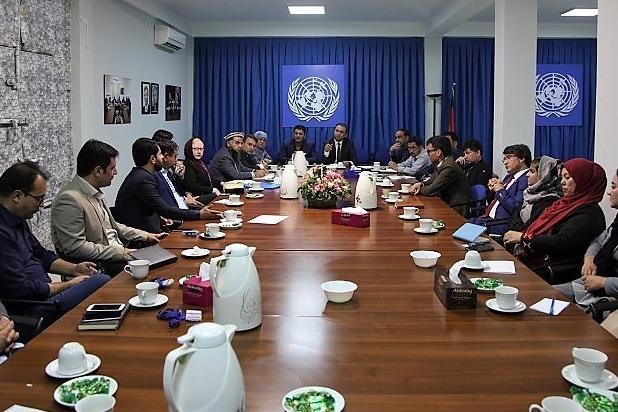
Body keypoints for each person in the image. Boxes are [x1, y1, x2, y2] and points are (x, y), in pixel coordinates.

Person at [0, 161, 110, 325]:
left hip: (45, 295)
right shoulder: (2, 232)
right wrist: (67, 285)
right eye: (38, 199)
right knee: (101, 280)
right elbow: (21, 289)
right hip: (33, 308)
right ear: (17, 196)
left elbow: (41, 254)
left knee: (94, 277)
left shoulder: (17, 219)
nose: (41, 206)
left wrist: (74, 269)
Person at [51, 140, 165, 276]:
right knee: (156, 273)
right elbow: (76, 247)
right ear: (98, 171)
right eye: (112, 168)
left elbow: (111, 226)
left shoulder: (94, 191)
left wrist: (146, 235)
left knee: (164, 259)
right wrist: (122, 253)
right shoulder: (69, 199)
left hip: (117, 254)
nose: (115, 172)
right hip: (101, 265)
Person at [503, 158, 606, 285]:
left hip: (555, 270)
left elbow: (562, 242)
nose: (562, 182)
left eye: (568, 178)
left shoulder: (589, 213)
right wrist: (524, 242)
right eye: (562, 177)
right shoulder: (562, 204)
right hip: (538, 260)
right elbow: (534, 226)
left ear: (583, 181)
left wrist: (524, 238)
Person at [114, 138, 220, 233]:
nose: (163, 158)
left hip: (160, 223)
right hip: (147, 235)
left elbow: (153, 207)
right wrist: (199, 214)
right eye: (160, 154)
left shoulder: (141, 174)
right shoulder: (143, 179)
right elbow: (163, 209)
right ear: (152, 159)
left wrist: (161, 218)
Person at [553, 169, 618, 307]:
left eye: (614, 187)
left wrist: (604, 282)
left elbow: (562, 241)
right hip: (589, 284)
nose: (609, 192)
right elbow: (598, 240)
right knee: (542, 294)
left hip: (606, 297)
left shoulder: (589, 213)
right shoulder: (617, 223)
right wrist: (589, 257)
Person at [472, 144, 531, 235]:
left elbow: (516, 209)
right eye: (504, 159)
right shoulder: (509, 177)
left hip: (499, 224)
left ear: (521, 158)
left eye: (508, 157)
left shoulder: (526, 179)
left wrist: (500, 191)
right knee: (459, 224)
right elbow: (497, 200)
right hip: (487, 219)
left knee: (461, 228)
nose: (505, 162)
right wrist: (493, 188)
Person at [409, 135, 469, 216]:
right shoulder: (443, 163)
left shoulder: (449, 167)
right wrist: (420, 184)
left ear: (438, 152)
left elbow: (431, 190)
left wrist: (418, 189)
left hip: (455, 210)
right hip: (446, 204)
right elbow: (431, 181)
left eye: (429, 151)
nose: (427, 154)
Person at [508, 156, 562, 233]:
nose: (527, 175)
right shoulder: (528, 194)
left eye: (532, 172)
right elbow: (514, 219)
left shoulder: (551, 200)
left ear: (544, 176)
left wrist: (515, 233)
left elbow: (532, 226)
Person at [155, 139, 203, 208]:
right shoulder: (157, 175)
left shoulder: (169, 171)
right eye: (175, 156)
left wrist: (181, 177)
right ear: (165, 157)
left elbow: (180, 191)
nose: (176, 160)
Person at [183, 137, 218, 205]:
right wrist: (212, 190)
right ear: (189, 149)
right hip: (196, 197)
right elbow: (192, 186)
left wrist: (221, 183)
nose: (199, 152)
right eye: (196, 149)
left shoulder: (200, 162)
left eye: (201, 149)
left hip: (205, 194)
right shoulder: (188, 163)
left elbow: (208, 179)